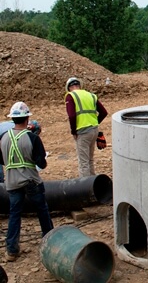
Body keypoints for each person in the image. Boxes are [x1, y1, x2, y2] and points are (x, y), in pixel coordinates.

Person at [0, 102, 54, 261]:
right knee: (42, 210)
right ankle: (50, 242)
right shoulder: (32, 138)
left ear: (13, 119)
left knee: (14, 213)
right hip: (31, 180)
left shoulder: (3, 138)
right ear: (27, 118)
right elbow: (41, 163)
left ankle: (11, 250)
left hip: (11, 182)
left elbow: (2, 160)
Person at [64, 77, 108, 177]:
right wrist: (94, 122)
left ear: (69, 87)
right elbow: (104, 112)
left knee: (83, 163)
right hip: (94, 130)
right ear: (79, 85)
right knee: (90, 160)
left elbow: (71, 115)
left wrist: (73, 131)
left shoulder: (71, 96)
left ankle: (85, 188)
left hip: (82, 132)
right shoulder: (91, 95)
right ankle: (93, 185)